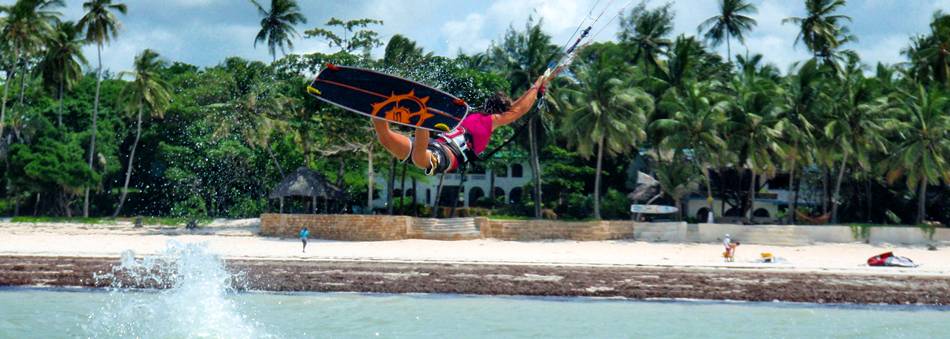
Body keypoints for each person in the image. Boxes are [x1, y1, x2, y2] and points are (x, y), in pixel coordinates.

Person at [372, 75, 554, 176]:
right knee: (386, 139)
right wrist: (537, 86)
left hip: (445, 154)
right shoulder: (473, 116)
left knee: (416, 155)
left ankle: (421, 120)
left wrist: (536, 86)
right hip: (436, 145)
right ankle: (377, 106)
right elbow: (518, 109)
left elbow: (517, 107)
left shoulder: (478, 117)